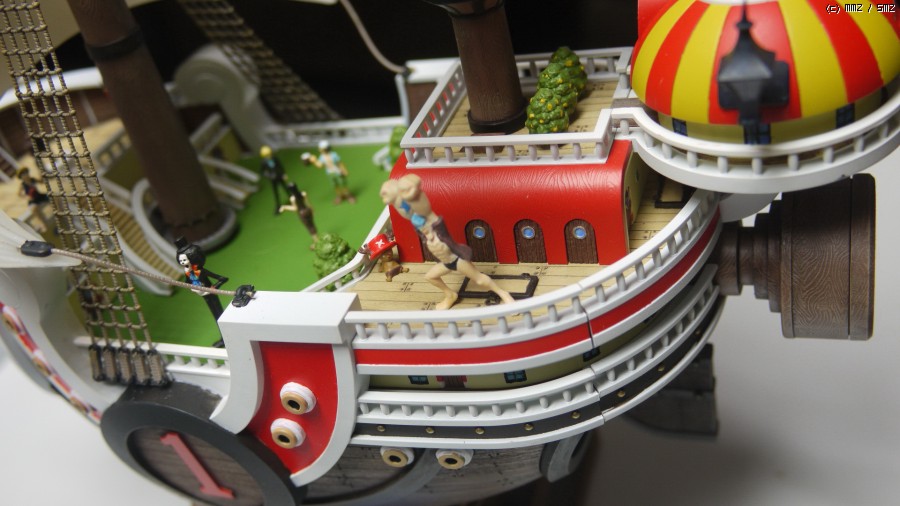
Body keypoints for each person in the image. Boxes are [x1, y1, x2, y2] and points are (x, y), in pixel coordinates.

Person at [381, 175, 514, 310]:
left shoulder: (435, 223)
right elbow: (409, 214)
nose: (424, 230)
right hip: (445, 263)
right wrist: (396, 199)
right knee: (430, 277)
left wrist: (411, 193)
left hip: (457, 259)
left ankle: (504, 294)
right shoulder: (422, 229)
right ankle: (450, 295)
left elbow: (424, 210)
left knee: (479, 280)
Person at [175, 238, 228, 346]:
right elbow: (188, 283)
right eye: (181, 261)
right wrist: (192, 288)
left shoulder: (201, 271)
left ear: (192, 258)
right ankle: (225, 338)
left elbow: (223, 279)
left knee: (219, 315)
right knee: (216, 316)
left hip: (210, 294)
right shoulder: (188, 273)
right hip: (204, 295)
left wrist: (214, 288)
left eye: (184, 260)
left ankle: (227, 337)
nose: (183, 263)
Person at [302, 140, 356, 204]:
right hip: (330, 173)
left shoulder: (334, 155)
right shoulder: (322, 157)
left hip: (338, 172)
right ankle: (339, 195)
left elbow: (339, 163)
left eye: (320, 148)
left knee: (343, 184)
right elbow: (320, 166)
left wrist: (344, 170)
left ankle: (348, 195)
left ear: (324, 149)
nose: (319, 150)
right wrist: (314, 161)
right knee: (335, 185)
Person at [278, 182, 319, 249]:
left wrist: (285, 207)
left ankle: (316, 241)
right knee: (312, 225)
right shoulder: (303, 194)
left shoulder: (293, 199)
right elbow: (307, 203)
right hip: (307, 210)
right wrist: (312, 209)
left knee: (309, 227)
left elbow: (295, 208)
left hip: (302, 213)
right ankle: (317, 239)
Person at [259, 145, 291, 214]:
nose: (269, 155)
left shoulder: (274, 158)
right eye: (267, 155)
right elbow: (262, 172)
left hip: (279, 176)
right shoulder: (263, 162)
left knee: (285, 187)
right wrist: (269, 176)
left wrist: (283, 174)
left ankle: (291, 198)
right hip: (273, 179)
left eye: (269, 154)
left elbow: (280, 166)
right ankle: (278, 205)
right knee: (275, 192)